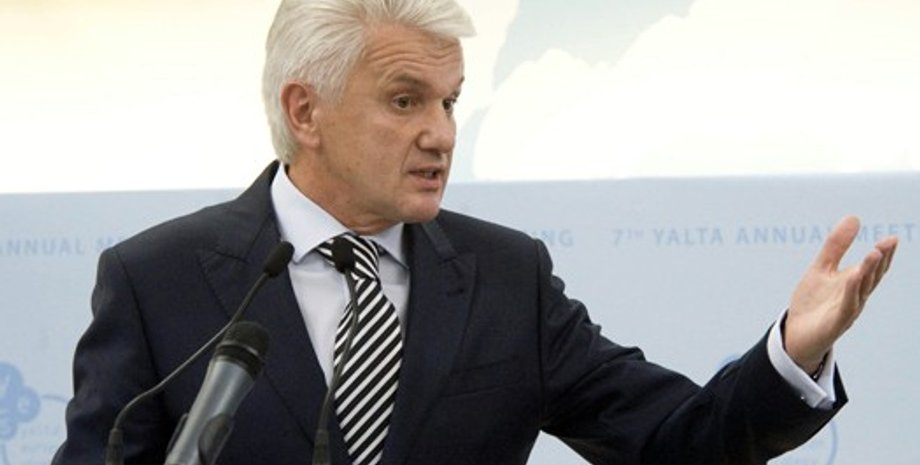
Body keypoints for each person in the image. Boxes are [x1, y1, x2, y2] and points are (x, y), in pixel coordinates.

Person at [52, 0, 898, 464]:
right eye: (405, 100)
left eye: (450, 102)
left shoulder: (506, 276)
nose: (442, 133)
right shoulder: (156, 278)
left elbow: (675, 443)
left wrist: (794, 351)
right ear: (305, 111)